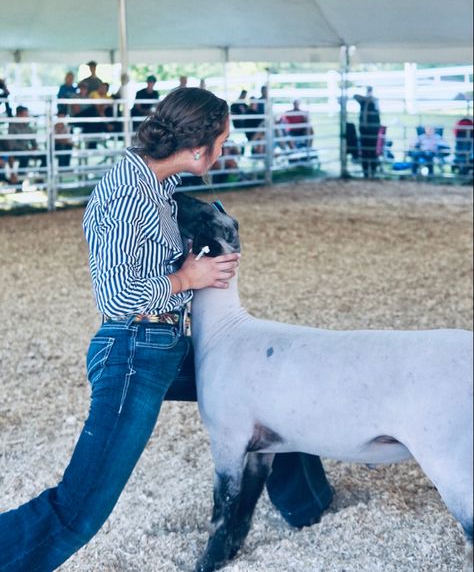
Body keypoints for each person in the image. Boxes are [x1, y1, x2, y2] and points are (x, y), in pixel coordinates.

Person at [0, 87, 332, 569]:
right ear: (198, 148)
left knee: (268, 393)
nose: (224, 151)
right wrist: (186, 278)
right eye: (221, 142)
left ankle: (309, 505)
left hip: (164, 341)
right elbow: (115, 295)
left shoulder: (156, 185)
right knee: (80, 508)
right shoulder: (127, 189)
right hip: (134, 351)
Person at [4, 105, 47, 170]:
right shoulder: (12, 127)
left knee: (45, 156)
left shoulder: (28, 128)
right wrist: (27, 150)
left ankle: (41, 176)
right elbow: (12, 145)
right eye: (25, 115)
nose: (27, 117)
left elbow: (34, 142)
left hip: (27, 150)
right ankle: (21, 177)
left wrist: (34, 148)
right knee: (24, 157)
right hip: (17, 151)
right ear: (18, 115)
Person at [353, 86, 381, 178]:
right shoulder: (363, 101)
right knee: (364, 152)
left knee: (372, 152)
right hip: (364, 131)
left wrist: (369, 99)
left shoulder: (375, 101)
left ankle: (373, 172)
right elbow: (355, 96)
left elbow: (375, 102)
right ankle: (365, 173)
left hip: (373, 131)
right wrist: (366, 99)